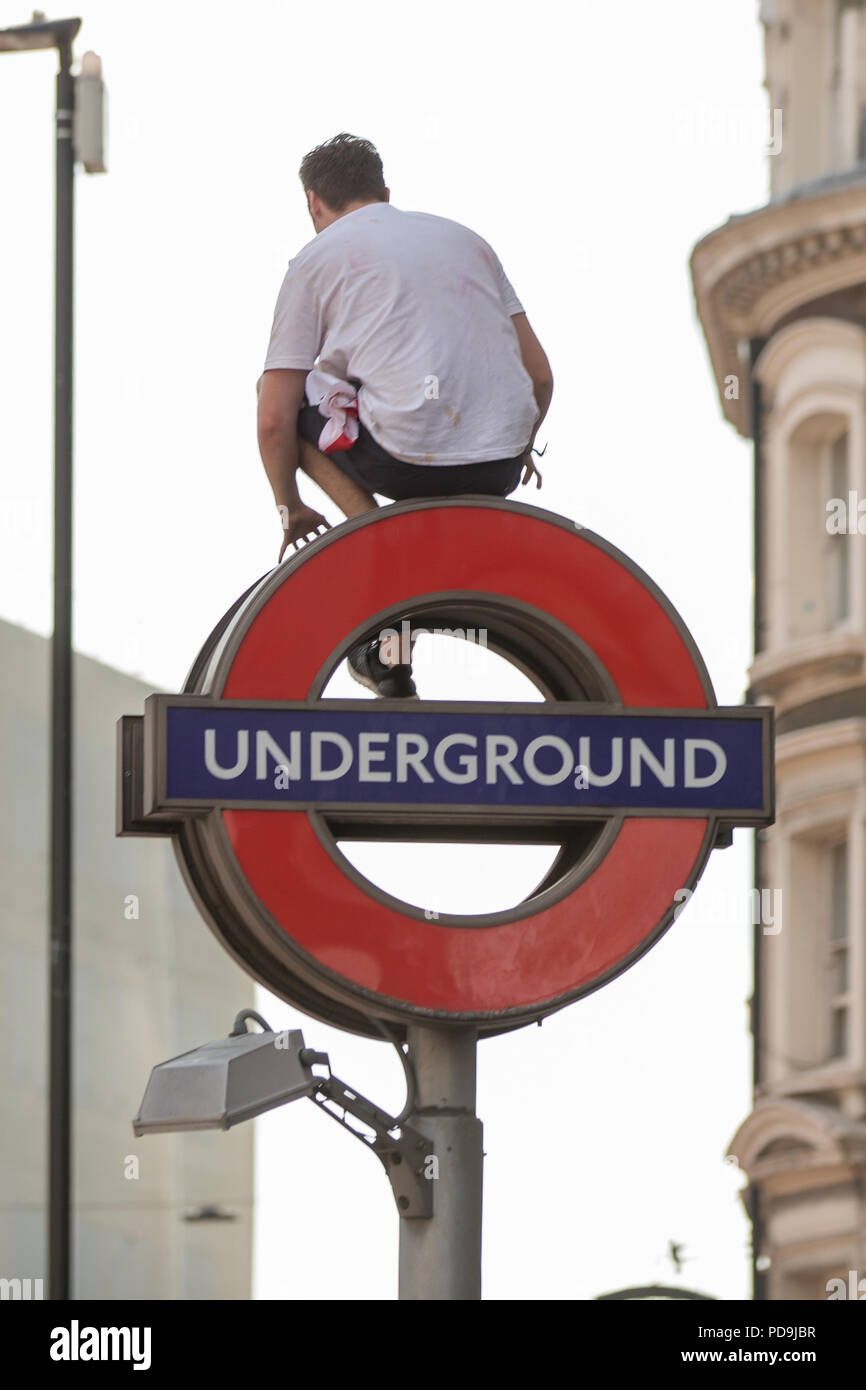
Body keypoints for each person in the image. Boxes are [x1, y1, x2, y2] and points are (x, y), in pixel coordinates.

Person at [257, 132, 553, 696]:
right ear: (386, 192)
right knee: (389, 404)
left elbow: (274, 418)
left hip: (403, 462)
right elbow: (539, 375)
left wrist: (289, 503)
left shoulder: (315, 260)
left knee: (291, 397)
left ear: (313, 203)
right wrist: (520, 443)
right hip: (497, 466)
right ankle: (392, 645)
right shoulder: (469, 242)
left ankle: (376, 542)